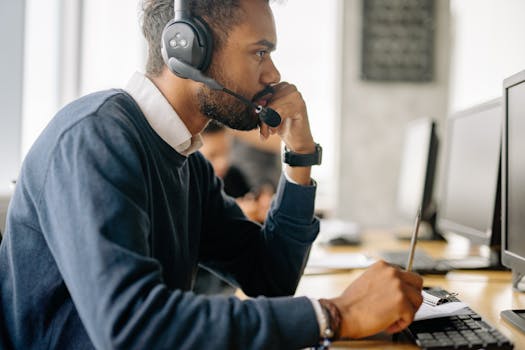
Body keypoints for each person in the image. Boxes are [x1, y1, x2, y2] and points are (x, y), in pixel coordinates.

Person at [0, 0, 423, 349]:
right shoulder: (95, 138)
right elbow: (132, 329)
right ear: (188, 50)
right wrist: (335, 314)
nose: (273, 73)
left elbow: (270, 279)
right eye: (260, 51)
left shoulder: (186, 163)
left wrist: (299, 156)